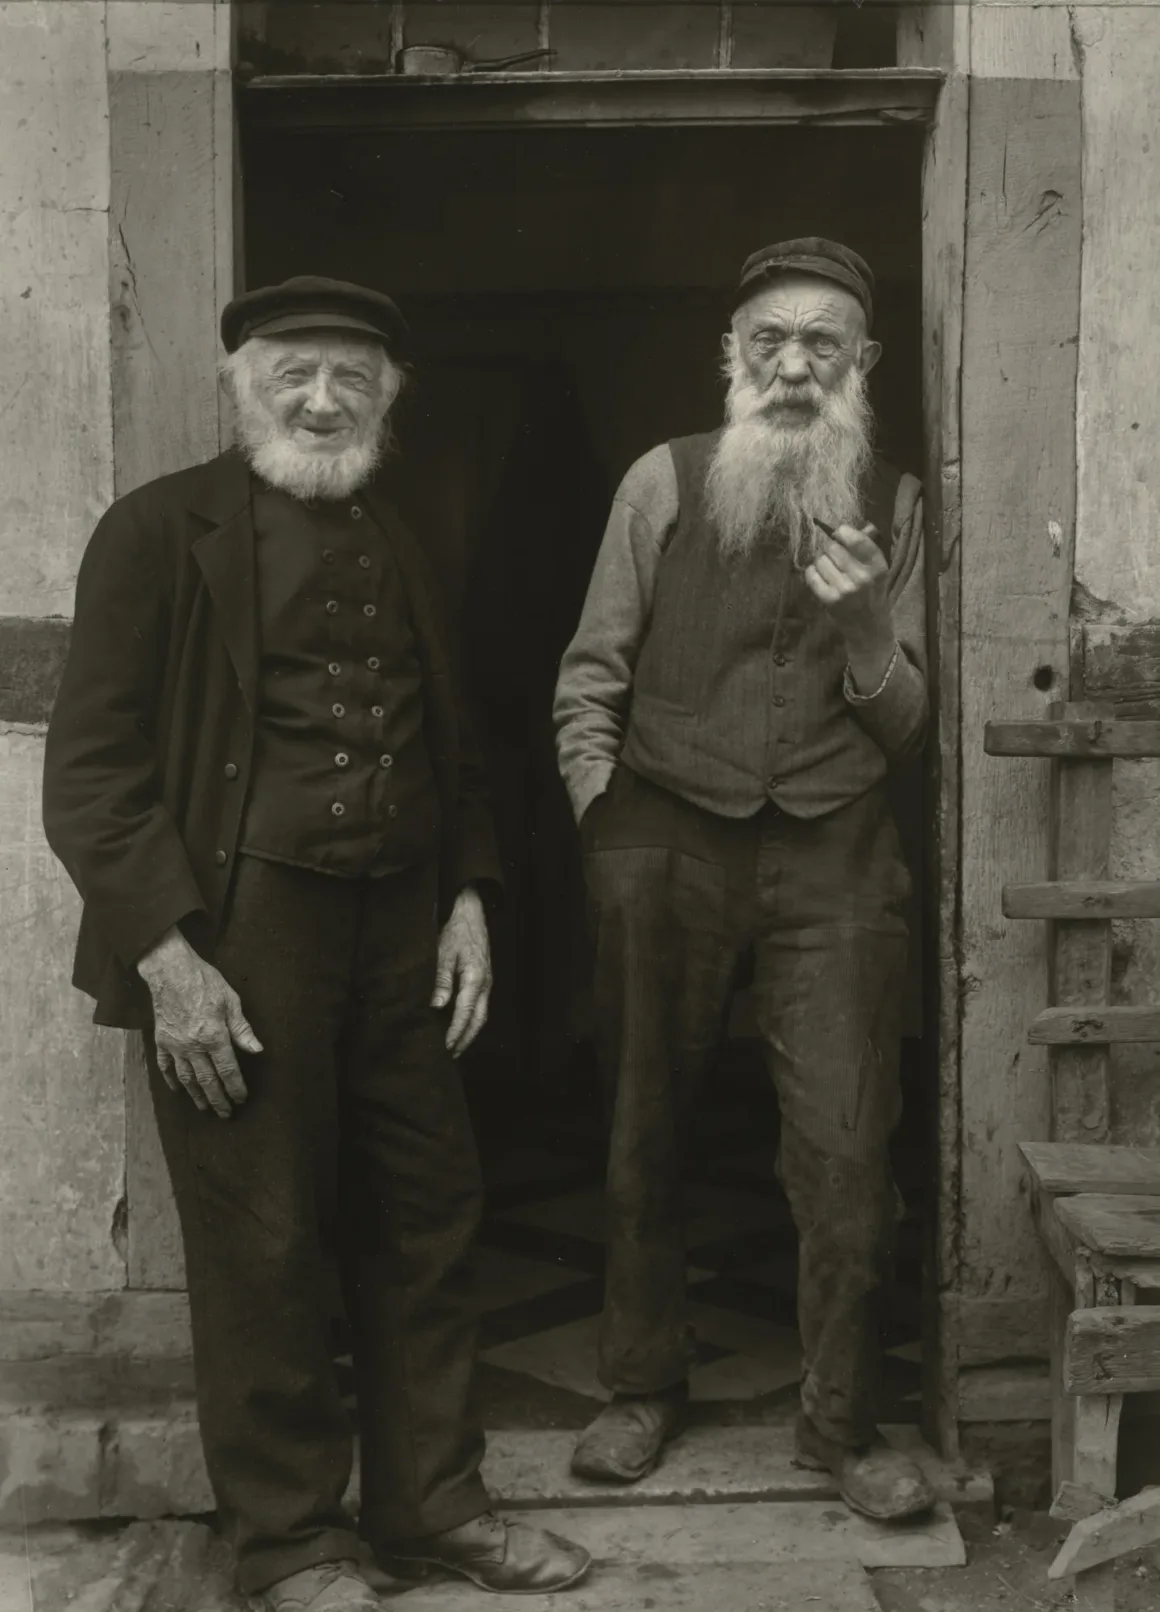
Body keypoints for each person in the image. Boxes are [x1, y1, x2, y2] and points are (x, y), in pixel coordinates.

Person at [43, 277, 590, 1611]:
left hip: (400, 931)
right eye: (293, 372)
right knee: (265, 1239)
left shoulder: (401, 540)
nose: (323, 398)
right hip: (240, 937)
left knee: (429, 1215)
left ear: (389, 398)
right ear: (242, 385)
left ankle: (434, 1509)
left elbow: (455, 751)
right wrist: (171, 963)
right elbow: (93, 775)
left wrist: (467, 897)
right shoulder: (158, 531)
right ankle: (291, 1542)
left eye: (352, 375)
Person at [553, 239, 936, 1523]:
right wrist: (602, 814)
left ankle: (841, 1422)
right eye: (766, 340)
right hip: (661, 831)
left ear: (860, 364)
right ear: (731, 357)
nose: (790, 364)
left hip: (834, 845)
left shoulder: (897, 499)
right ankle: (639, 1386)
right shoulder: (658, 481)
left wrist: (871, 628)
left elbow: (907, 727)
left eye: (819, 343)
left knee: (844, 1141)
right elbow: (590, 670)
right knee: (641, 1119)